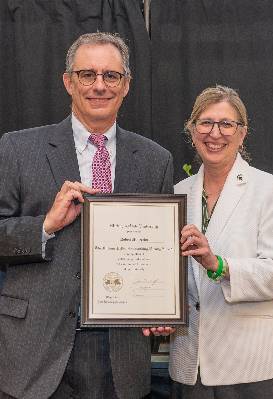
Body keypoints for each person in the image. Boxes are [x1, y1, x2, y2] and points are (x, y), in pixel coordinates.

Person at [0, 32, 173, 399]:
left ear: (126, 85)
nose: (99, 86)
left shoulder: (156, 160)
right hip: (35, 351)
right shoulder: (17, 148)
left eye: (111, 76)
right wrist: (45, 226)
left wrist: (161, 306)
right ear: (68, 81)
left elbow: (159, 255)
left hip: (121, 353)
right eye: (86, 74)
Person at [170, 85, 273, 399]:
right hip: (189, 365)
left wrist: (217, 264)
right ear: (192, 131)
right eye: (205, 123)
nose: (214, 133)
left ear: (242, 132)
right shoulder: (177, 194)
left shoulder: (272, 191)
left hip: (251, 367)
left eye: (226, 124)